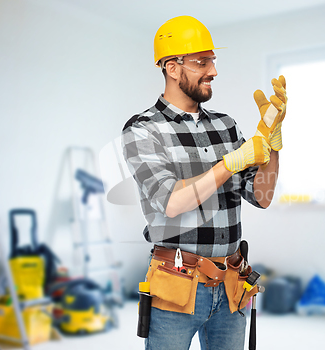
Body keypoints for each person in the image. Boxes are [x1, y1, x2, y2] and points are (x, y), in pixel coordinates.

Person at [122, 15, 287, 350]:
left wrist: (270, 146)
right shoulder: (143, 129)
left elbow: (262, 196)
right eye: (202, 62)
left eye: (212, 61)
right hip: (177, 284)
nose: (212, 71)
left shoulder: (226, 126)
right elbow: (171, 201)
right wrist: (229, 164)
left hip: (231, 283)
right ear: (171, 67)